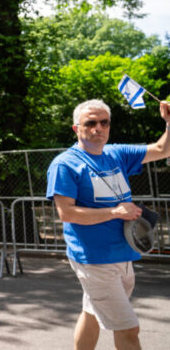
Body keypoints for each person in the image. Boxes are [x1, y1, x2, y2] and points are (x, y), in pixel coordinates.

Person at [47, 99, 170, 350]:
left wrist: (169, 123)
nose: (98, 128)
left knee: (92, 313)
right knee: (129, 328)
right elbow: (66, 213)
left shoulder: (116, 153)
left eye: (104, 122)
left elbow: (162, 149)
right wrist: (115, 211)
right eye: (90, 123)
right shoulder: (65, 164)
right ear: (76, 128)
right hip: (94, 259)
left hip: (123, 253)